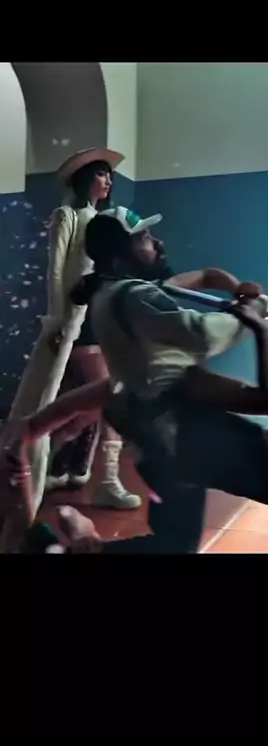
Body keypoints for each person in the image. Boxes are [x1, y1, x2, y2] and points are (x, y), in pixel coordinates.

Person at [59, 207, 268, 554]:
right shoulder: (134, 296)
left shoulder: (110, 295)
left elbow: (207, 276)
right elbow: (202, 333)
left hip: (155, 439)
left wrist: (237, 290)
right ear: (119, 258)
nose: (157, 243)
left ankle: (86, 549)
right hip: (186, 432)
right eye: (144, 238)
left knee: (176, 544)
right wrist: (253, 314)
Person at [5, 147, 141, 516]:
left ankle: (55, 461)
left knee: (85, 406)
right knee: (106, 396)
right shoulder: (66, 215)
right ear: (83, 179)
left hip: (98, 318)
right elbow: (55, 272)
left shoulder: (104, 221)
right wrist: (57, 321)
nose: (108, 180)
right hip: (72, 322)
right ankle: (104, 479)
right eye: (100, 173)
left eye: (109, 175)